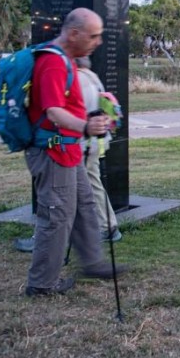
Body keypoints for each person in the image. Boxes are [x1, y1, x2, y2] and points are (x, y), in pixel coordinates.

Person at [23, 8, 127, 297]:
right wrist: (86, 126)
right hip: (53, 151)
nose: (98, 41)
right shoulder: (53, 63)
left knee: (84, 204)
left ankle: (92, 262)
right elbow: (53, 111)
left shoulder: (66, 61)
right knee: (57, 215)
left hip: (68, 149)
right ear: (73, 33)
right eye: (93, 36)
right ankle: (42, 283)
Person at [76, 56, 120, 243]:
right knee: (93, 183)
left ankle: (105, 227)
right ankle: (108, 226)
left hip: (83, 142)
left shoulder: (77, 79)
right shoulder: (93, 77)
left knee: (69, 187)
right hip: (95, 141)